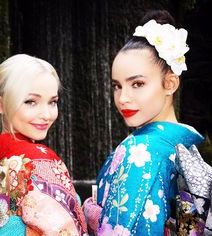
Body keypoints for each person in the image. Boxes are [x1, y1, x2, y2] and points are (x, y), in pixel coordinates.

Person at [83, 10, 204, 235]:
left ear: (170, 83)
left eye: (137, 84)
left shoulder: (141, 152)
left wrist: (90, 213)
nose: (123, 98)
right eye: (117, 86)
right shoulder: (185, 146)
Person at [0, 54, 88, 235]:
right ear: (0, 103)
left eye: (52, 102)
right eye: (31, 102)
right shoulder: (39, 160)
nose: (46, 114)